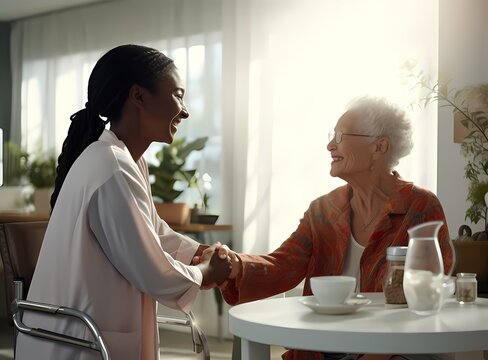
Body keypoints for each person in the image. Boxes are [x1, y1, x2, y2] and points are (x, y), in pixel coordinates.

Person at [16, 44, 232, 360]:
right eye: (178, 95)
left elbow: (152, 232)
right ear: (138, 96)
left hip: (85, 337)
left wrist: (198, 253)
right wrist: (203, 273)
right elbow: (152, 272)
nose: (184, 110)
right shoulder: (111, 165)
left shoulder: (125, 160)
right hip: (76, 347)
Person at [217, 97, 453, 360]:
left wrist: (381, 352)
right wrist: (235, 265)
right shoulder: (323, 209)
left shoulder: (420, 206)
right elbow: (284, 265)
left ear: (380, 146)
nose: (330, 145)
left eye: (340, 136)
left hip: (392, 349)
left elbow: (430, 290)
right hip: (322, 348)